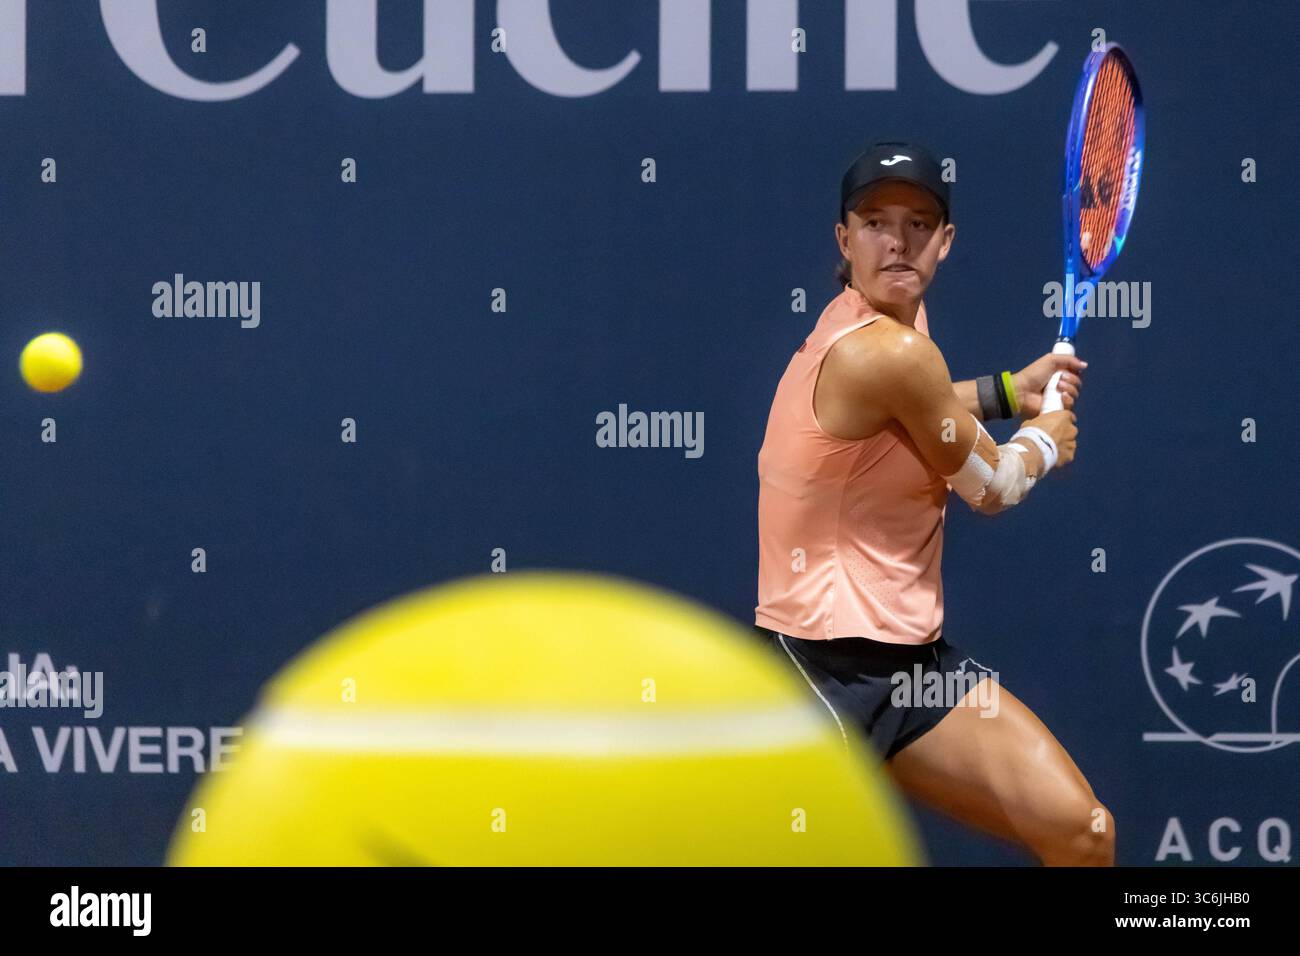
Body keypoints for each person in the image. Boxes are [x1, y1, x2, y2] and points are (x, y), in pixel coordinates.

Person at [753, 142, 1111, 866]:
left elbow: (916, 410)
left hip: (916, 669)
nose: (897, 240)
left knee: (1084, 834)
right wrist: (1044, 439)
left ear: (944, 243)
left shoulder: (896, 337)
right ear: (844, 239)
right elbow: (994, 486)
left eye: (919, 224)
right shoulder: (883, 350)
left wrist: (1012, 392)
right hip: (812, 674)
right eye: (876, 221)